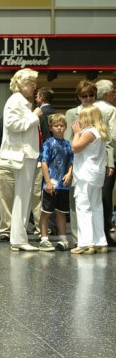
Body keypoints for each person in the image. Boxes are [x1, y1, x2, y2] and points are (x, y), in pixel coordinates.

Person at [64, 80, 113, 247]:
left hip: (90, 166)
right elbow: (67, 141)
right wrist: (69, 168)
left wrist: (110, 163)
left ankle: (87, 242)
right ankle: (88, 240)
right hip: (83, 165)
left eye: (92, 95)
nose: (88, 98)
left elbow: (108, 142)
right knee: (87, 203)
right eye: (84, 96)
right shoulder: (72, 113)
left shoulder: (101, 114)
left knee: (86, 203)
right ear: (78, 97)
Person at [0, 68, 42, 252]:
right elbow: (13, 125)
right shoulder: (16, 101)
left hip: (26, 153)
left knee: (23, 197)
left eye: (34, 83)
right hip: (22, 154)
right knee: (22, 196)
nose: (34, 86)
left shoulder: (21, 101)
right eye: (31, 83)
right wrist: (35, 117)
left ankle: (19, 237)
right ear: (21, 84)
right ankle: (18, 238)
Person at [70, 106, 109, 254]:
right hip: (96, 174)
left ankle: (86, 243)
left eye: (82, 117)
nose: (79, 120)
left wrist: (77, 133)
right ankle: (100, 241)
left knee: (83, 207)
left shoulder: (89, 132)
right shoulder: (100, 132)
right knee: (96, 207)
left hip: (85, 174)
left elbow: (75, 147)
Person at [38, 114, 73, 252]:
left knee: (61, 212)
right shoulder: (48, 143)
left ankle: (63, 238)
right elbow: (44, 162)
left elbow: (71, 161)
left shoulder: (68, 144)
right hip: (50, 184)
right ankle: (44, 239)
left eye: (61, 125)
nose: (59, 128)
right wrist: (47, 181)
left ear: (65, 127)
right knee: (46, 212)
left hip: (63, 185)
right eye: (56, 126)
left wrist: (70, 173)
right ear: (51, 128)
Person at [94, 79, 116, 245]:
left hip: (92, 158)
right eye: (113, 92)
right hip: (109, 158)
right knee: (106, 197)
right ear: (107, 94)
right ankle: (105, 233)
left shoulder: (90, 109)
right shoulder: (111, 110)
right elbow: (113, 137)